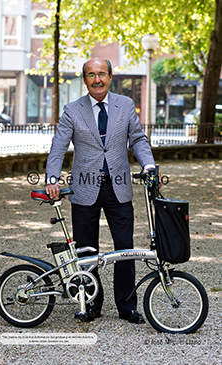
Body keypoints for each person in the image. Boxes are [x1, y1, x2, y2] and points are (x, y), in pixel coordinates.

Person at [45, 58, 156, 323]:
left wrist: (149, 165)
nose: (97, 79)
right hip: (84, 189)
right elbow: (58, 145)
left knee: (125, 249)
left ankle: (127, 305)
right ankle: (91, 303)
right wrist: (51, 178)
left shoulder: (126, 105)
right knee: (86, 250)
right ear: (84, 80)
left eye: (102, 74)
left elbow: (138, 139)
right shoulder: (72, 110)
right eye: (91, 75)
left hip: (119, 189)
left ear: (110, 76)